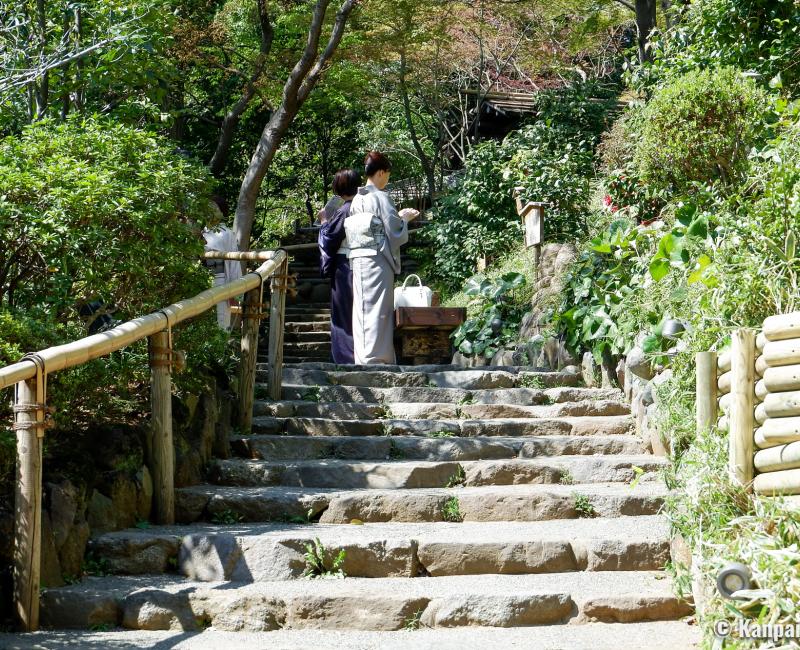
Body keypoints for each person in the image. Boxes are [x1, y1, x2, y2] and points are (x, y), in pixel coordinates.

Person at [345, 152, 418, 364]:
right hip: (377, 260)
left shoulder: (358, 198)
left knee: (361, 309)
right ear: (380, 173)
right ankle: (377, 357)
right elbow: (394, 233)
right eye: (387, 175)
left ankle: (363, 357)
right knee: (378, 310)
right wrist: (404, 218)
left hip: (358, 259)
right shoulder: (380, 197)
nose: (387, 179)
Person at [319, 169, 360, 364]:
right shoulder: (364, 206)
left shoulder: (344, 210)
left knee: (343, 313)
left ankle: (344, 358)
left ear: (338, 188)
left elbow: (329, 239)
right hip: (364, 263)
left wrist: (324, 221)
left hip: (344, 266)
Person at [202, 196, 241, 330]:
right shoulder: (201, 232)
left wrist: (236, 289)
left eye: (213, 208)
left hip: (219, 279)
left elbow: (234, 262)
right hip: (200, 279)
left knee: (219, 318)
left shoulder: (227, 234)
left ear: (222, 212)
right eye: (206, 208)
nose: (209, 211)